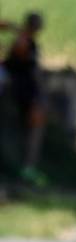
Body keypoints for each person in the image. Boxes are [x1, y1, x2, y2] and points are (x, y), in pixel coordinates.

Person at [2, 12, 46, 184]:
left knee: (34, 129)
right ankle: (27, 167)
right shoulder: (23, 41)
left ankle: (28, 167)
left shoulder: (26, 39)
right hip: (23, 91)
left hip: (28, 92)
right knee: (33, 127)